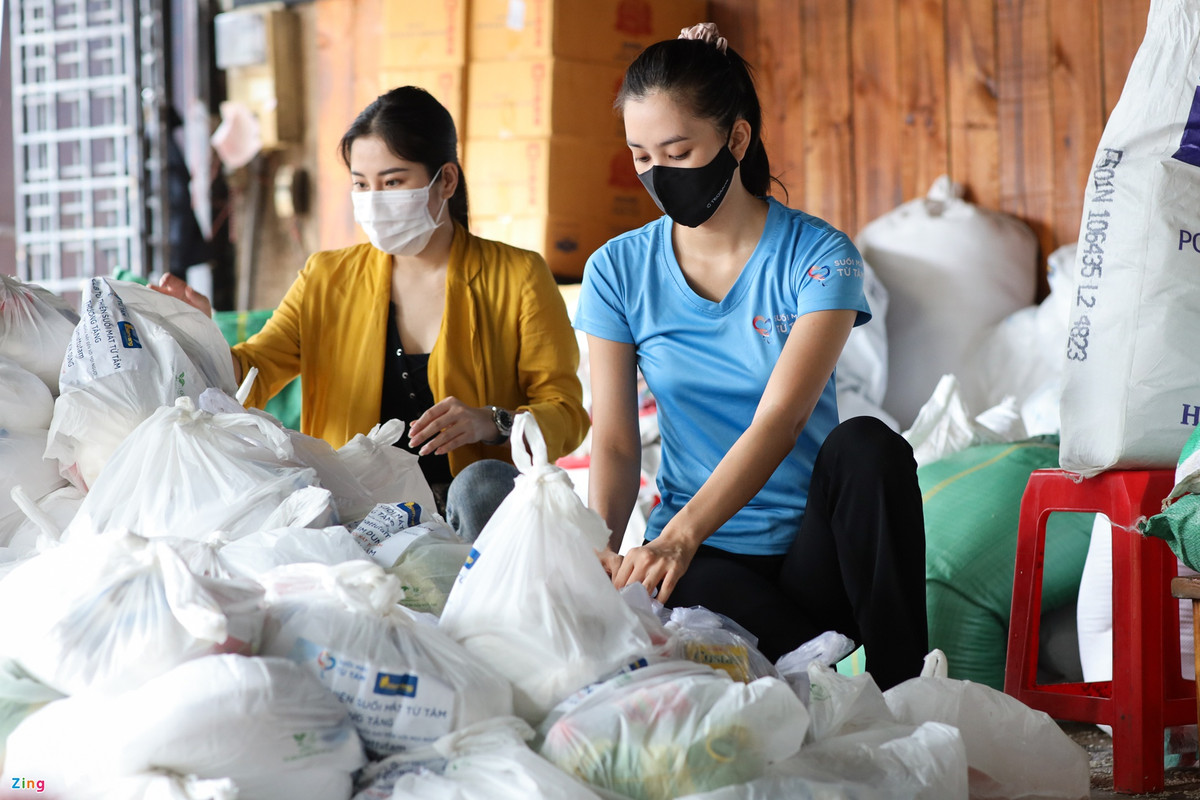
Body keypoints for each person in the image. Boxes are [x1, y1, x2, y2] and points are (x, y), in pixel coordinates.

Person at [574, 24, 927, 690]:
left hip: (813, 557)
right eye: (642, 156)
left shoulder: (819, 257)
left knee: (869, 447)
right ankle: (818, 675)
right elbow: (616, 443)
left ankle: (903, 690)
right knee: (727, 622)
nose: (658, 175)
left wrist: (678, 534)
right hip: (703, 562)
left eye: (677, 150)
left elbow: (782, 420)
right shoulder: (616, 270)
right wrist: (603, 550)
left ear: (735, 140)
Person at [156, 86, 589, 540]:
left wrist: (493, 421)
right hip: (362, 516)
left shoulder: (517, 276)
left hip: (477, 521)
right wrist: (197, 333)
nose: (374, 199)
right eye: (362, 184)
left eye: (393, 182)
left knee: (482, 485)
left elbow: (567, 414)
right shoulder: (326, 279)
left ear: (445, 180)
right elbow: (252, 373)